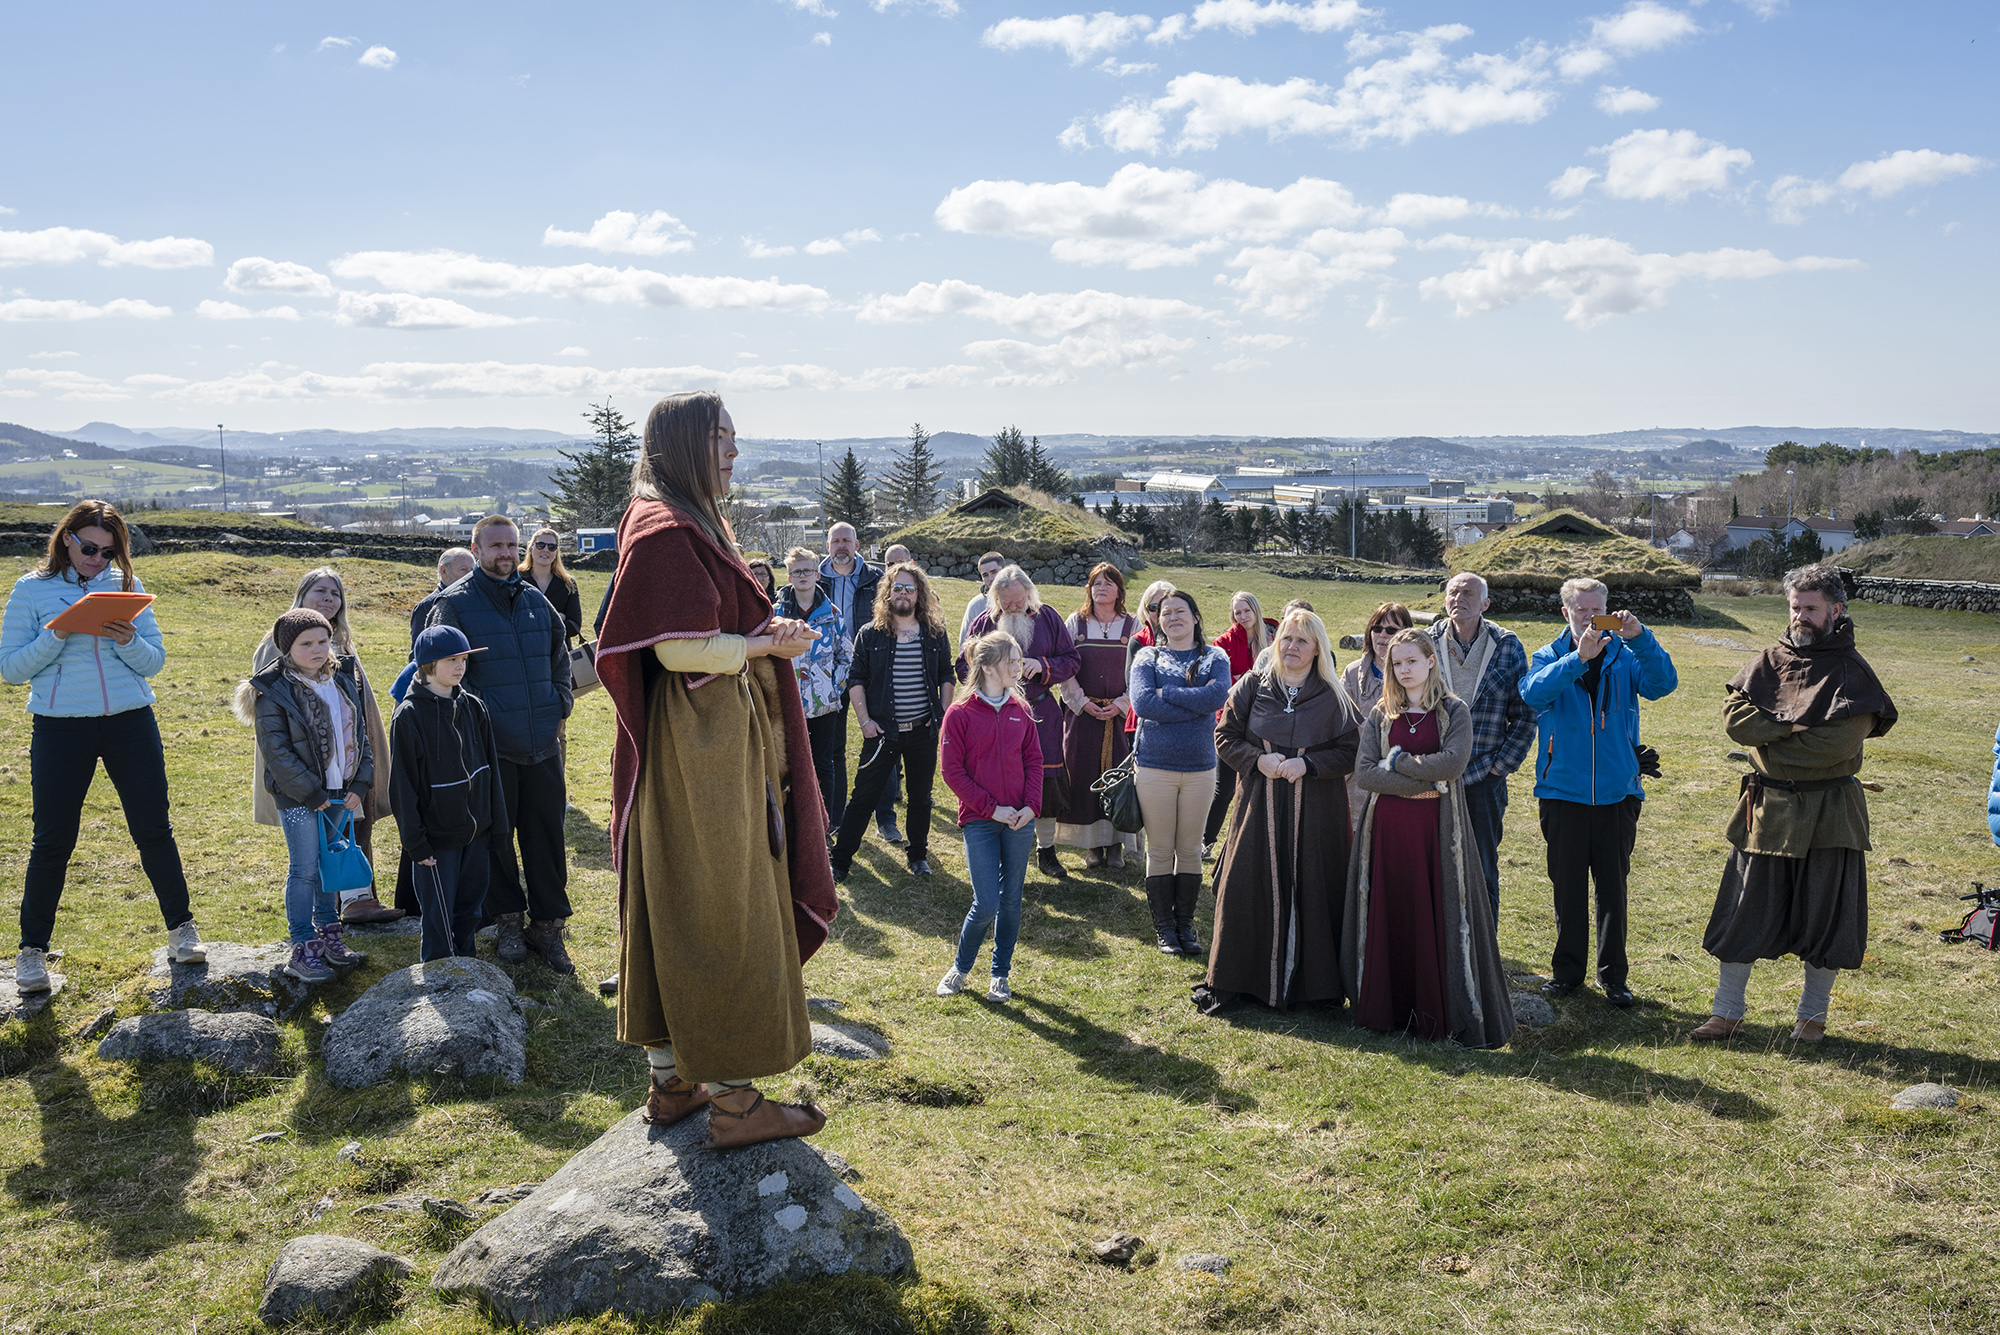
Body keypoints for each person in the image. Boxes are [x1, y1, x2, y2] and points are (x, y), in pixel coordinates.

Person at [596, 389, 834, 1149]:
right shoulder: (666, 526)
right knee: (722, 898)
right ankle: (734, 1101)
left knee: (677, 893)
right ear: (687, 441)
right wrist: (766, 647)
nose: (734, 450)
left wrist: (766, 629)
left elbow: (708, 623)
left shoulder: (677, 513)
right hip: (701, 744)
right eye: (723, 437)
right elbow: (675, 646)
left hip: (695, 738)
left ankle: (674, 1081)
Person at [3, 500, 204, 994]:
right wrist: (60, 632)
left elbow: (153, 662)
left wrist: (127, 640)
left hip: (130, 722)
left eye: (108, 552)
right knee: (52, 840)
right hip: (59, 727)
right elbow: (11, 670)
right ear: (66, 538)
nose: (98, 560)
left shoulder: (127, 587)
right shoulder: (31, 590)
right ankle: (31, 953)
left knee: (154, 828)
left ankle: (182, 929)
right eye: (89, 548)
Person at [1693, 564, 1897, 1044]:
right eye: (1795, 607)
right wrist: (1794, 726)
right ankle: (1727, 1013)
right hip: (1767, 810)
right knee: (1743, 910)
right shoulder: (1769, 659)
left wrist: (1772, 739)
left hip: (1830, 812)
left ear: (1835, 610)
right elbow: (1738, 723)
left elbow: (1837, 744)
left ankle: (1811, 1019)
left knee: (1824, 915)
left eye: (1811, 608)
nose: (1801, 617)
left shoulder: (1853, 672)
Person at [1346, 629, 1515, 1047]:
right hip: (1386, 831)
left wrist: (1399, 761)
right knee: (1392, 909)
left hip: (1437, 831)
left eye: (1411, 661)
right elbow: (1365, 773)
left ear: (1430, 662)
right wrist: (1422, 780)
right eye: (1396, 663)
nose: (1404, 670)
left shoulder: (1453, 711)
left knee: (1435, 911)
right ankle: (1388, 1008)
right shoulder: (1381, 714)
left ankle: (1435, 1010)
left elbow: (1453, 765)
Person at [1521, 577, 1679, 1007]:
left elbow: (1663, 684)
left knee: (1613, 888)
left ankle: (1615, 978)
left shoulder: (1626, 657)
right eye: (1581, 610)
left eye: (1598, 610)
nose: (1591, 618)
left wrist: (1642, 638)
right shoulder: (1548, 656)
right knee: (1567, 887)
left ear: (1610, 611)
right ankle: (1567, 974)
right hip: (1562, 792)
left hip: (1618, 792)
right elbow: (1532, 694)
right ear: (1565, 613)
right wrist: (1577, 659)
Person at [428, 513, 575, 972]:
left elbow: (559, 657)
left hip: (542, 743)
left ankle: (548, 926)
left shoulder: (535, 600)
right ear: (476, 550)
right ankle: (509, 921)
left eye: (512, 546)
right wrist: (472, 728)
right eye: (496, 547)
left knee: (546, 838)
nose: (507, 554)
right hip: (490, 749)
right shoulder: (453, 606)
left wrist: (561, 702)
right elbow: (436, 673)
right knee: (496, 839)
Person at [1201, 610, 1357, 1013]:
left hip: (1317, 813)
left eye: (1302, 641)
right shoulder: (1252, 685)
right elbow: (1224, 735)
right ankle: (1241, 981)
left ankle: (1313, 987)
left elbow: (1352, 750)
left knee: (1314, 887)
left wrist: (1310, 765)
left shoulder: (1332, 694)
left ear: (1317, 648)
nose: (1291, 647)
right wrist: (1257, 760)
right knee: (1246, 886)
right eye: (1286, 638)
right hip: (1258, 806)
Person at [252, 567, 399, 925]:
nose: (329, 598)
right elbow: (274, 710)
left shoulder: (341, 641)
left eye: (336, 593)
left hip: (348, 757)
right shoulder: (279, 642)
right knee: (309, 857)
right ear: (302, 596)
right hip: (306, 766)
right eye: (320, 591)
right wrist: (305, 781)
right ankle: (314, 929)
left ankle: (356, 900)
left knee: (351, 826)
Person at [234, 608, 374, 983]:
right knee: (305, 869)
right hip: (299, 798)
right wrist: (311, 793)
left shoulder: (342, 679)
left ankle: (329, 935)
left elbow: (360, 736)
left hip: (339, 793)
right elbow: (277, 752)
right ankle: (302, 946)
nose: (317, 650)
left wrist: (359, 784)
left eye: (323, 641)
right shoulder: (274, 690)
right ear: (287, 648)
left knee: (328, 867)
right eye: (306, 643)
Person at [391, 625, 509, 964]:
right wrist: (416, 843)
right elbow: (402, 787)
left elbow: (491, 772)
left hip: (477, 834)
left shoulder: (475, 707)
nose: (460, 666)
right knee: (439, 920)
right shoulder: (409, 716)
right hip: (436, 842)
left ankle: (468, 969)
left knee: (469, 910)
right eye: (450, 660)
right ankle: (441, 975)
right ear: (427, 664)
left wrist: (496, 828)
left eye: (463, 659)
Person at [937, 630, 1042, 1002]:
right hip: (981, 820)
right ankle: (960, 969)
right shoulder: (959, 714)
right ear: (987, 666)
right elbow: (952, 773)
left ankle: (1000, 973)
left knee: (1011, 899)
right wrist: (991, 808)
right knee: (987, 902)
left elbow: (1033, 761)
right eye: (1011, 660)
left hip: (1019, 821)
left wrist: (1030, 808)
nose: (1019, 666)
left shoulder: (1022, 710)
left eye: (1018, 659)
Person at [831, 562, 954, 880]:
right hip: (882, 733)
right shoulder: (870, 634)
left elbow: (946, 675)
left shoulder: (934, 633)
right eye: (897, 587)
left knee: (920, 798)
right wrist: (865, 721)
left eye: (909, 588)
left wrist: (939, 715)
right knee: (862, 798)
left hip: (922, 731)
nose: (903, 593)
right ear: (887, 592)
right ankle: (840, 861)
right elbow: (855, 679)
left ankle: (918, 857)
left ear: (919, 594)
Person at [957, 566, 1080, 878]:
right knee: (1000, 780)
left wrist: (1042, 665)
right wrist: (989, 679)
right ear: (995, 598)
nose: (1012, 608)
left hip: (1040, 713)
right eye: (1006, 603)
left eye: (1018, 602)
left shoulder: (1048, 617)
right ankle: (1004, 849)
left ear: (1029, 593)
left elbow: (1072, 660)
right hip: (994, 717)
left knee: (1045, 782)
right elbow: (962, 665)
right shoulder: (984, 623)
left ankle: (1046, 850)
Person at [1128, 589, 1231, 956]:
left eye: (1180, 611)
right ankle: (1165, 930)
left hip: (1201, 768)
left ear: (1195, 617)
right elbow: (1142, 704)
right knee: (1160, 848)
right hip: (1155, 766)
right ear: (1157, 620)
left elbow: (1217, 697)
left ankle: (1186, 927)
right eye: (1165, 612)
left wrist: (1167, 692)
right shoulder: (1147, 656)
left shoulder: (1215, 656)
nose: (1172, 617)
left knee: (1189, 848)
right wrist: (1194, 701)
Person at [1426, 573, 1534, 918]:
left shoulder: (1506, 645)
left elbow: (1525, 712)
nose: (1460, 598)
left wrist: (1500, 767)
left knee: (1482, 865)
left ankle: (1484, 956)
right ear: (1444, 601)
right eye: (1454, 592)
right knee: (1433, 863)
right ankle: (1442, 950)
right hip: (1431, 774)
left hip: (1483, 776)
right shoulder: (1425, 643)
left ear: (1486, 604)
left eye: (1469, 593)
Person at [1054, 563, 1140, 870]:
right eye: (1096, 583)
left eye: (1108, 583)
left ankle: (1115, 845)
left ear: (1119, 590)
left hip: (1119, 716)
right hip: (1083, 714)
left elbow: (1140, 672)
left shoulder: (1133, 625)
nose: (1101, 588)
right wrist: (1081, 702)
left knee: (1120, 778)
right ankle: (1092, 845)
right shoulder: (1075, 623)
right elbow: (1064, 667)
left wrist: (1121, 704)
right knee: (1083, 775)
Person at [819, 522, 893, 843]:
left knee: (880, 743)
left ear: (857, 544)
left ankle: (886, 819)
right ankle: (833, 818)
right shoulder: (814, 580)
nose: (841, 546)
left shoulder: (877, 580)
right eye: (835, 540)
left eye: (846, 540)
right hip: (829, 675)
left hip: (869, 671)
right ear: (827, 546)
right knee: (831, 747)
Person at [773, 546, 852, 827]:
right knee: (787, 765)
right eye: (797, 572)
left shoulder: (832, 613)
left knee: (824, 764)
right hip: (786, 705)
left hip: (824, 705)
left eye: (807, 570)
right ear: (789, 576)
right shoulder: (776, 613)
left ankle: (825, 825)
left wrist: (833, 688)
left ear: (817, 574)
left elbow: (846, 655)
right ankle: (793, 823)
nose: (803, 575)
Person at [1205, 592, 1275, 860]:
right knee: (1224, 787)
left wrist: (1243, 678)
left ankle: (1255, 845)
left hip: (1265, 720)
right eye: (1237, 612)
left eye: (1247, 611)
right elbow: (1224, 685)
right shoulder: (1223, 643)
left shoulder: (1273, 637)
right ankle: (1206, 840)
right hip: (1232, 719)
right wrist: (1245, 680)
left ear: (1256, 611)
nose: (1242, 617)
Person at [1341, 602, 1413, 833]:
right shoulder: (1352, 673)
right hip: (1357, 778)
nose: (1383, 635)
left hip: (1401, 777)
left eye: (1391, 630)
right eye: (1377, 628)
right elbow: (1340, 725)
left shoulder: (1417, 674)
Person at [525, 525, 585, 642]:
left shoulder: (568, 584)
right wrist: (558, 618)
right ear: (531, 548)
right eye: (540, 545)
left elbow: (574, 626)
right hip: (526, 652)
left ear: (556, 552)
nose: (546, 550)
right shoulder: (517, 581)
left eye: (552, 547)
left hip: (560, 653)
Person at [410, 547, 476, 650]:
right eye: (463, 569)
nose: (470, 575)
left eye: (472, 569)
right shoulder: (427, 606)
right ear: (444, 570)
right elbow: (418, 653)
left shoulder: (478, 601)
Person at [957, 551, 1008, 650]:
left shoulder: (1020, 600)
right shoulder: (975, 605)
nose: (991, 578)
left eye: (994, 572)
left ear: (1005, 570)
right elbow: (965, 644)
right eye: (985, 575)